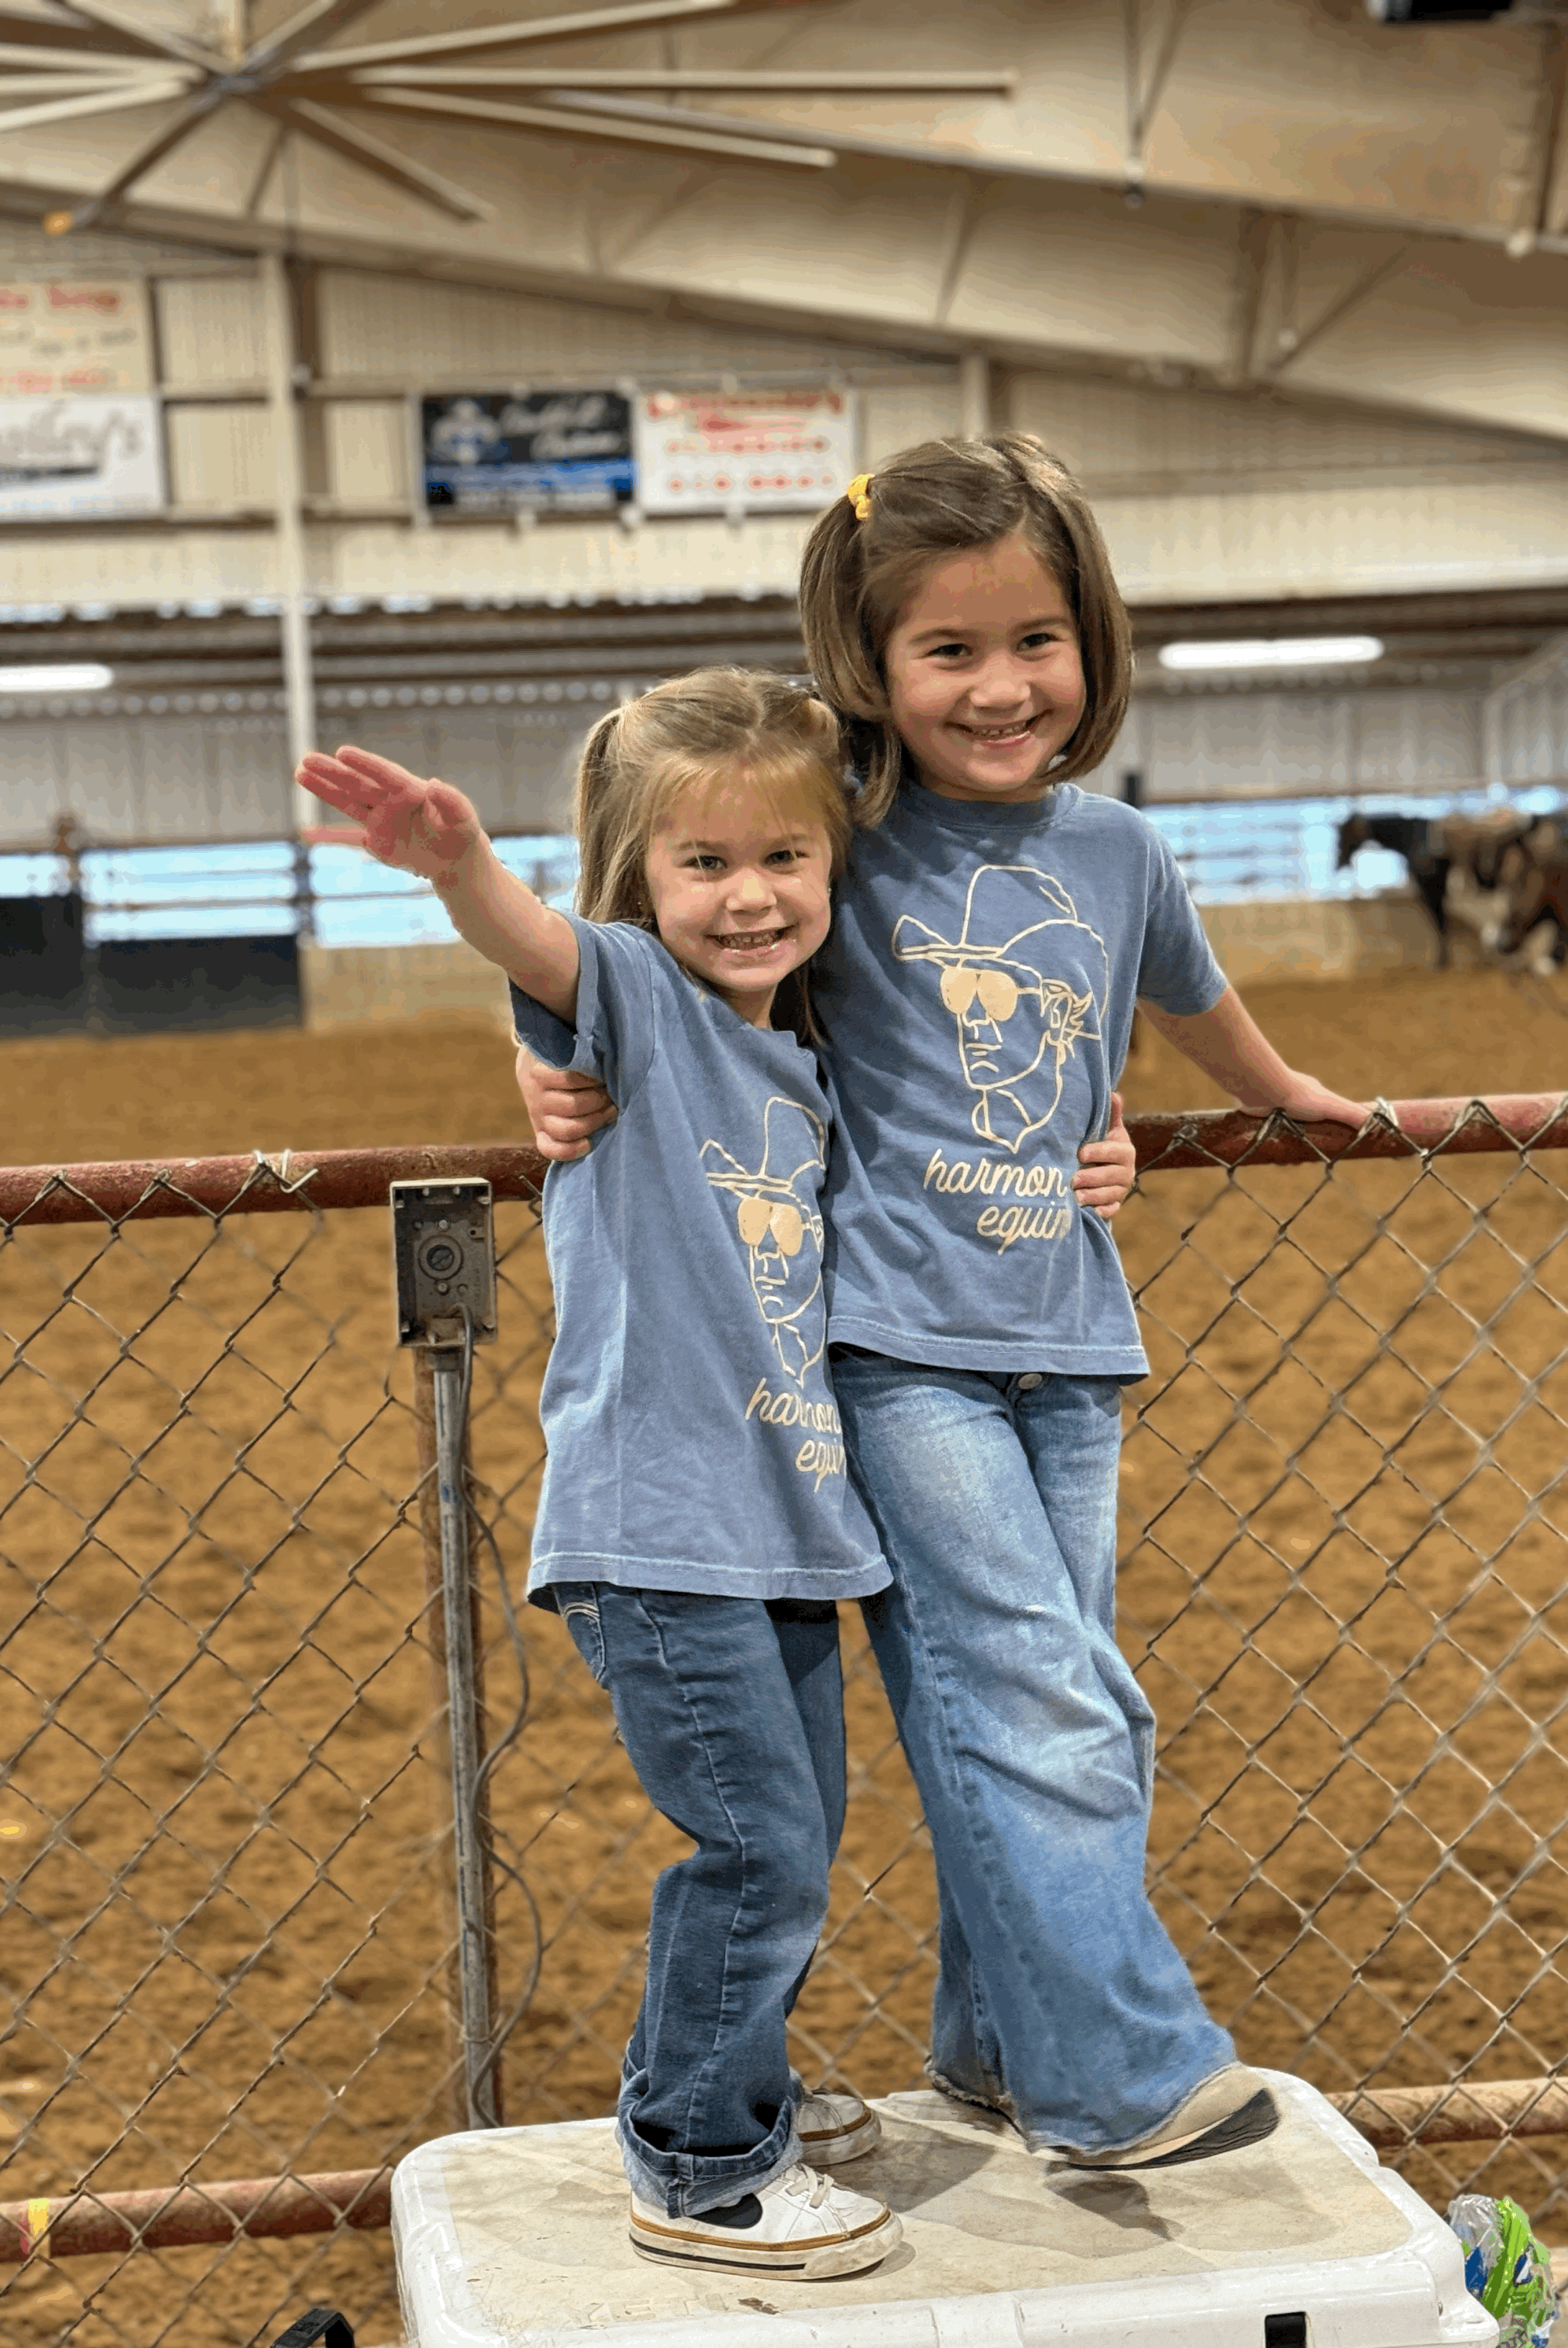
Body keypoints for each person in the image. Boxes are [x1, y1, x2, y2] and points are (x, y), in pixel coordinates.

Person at [519, 433, 1370, 2173]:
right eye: (950, 649)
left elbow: (1185, 997)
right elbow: (661, 924)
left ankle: (1002, 2045)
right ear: (872, 660)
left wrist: (1273, 1097)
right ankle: (1116, 2073)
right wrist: (545, 1067)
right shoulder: (842, 829)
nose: (1000, 686)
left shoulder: (1120, 850)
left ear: (1090, 643)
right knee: (1023, 1686)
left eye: (1036, 640)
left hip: (1071, 1335)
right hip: (892, 1343)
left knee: (1077, 1696)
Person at [295, 670, 907, 2282]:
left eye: (784, 856)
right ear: (639, 877)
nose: (750, 894)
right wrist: (459, 868)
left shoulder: (806, 1058)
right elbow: (538, 946)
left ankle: (739, 2086)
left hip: (782, 1529)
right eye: (703, 862)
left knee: (795, 1835)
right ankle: (701, 2160)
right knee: (757, 1845)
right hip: (659, 1528)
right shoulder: (632, 996)